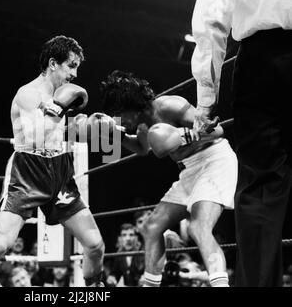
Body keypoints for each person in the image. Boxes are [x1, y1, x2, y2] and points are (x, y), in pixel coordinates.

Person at [0, 35, 105, 287]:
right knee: (0, 245)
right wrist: (60, 108)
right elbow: (36, 137)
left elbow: (60, 133)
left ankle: (93, 290)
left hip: (59, 171)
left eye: (77, 66)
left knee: (95, 245)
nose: (76, 74)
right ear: (52, 63)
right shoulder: (27, 94)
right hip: (28, 171)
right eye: (71, 65)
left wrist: (86, 125)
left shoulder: (61, 96)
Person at [97, 70, 238, 287]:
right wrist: (118, 135)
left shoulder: (170, 105)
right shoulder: (143, 125)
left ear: (130, 105)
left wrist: (188, 135)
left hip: (214, 160)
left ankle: (220, 284)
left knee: (198, 227)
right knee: (152, 226)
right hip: (189, 171)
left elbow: (217, 130)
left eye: (120, 113)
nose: (120, 120)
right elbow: (143, 148)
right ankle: (150, 284)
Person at [191, 0, 292, 287]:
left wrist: (207, 98)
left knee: (260, 188)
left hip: (259, 61)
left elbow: (212, 14)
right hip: (261, 58)